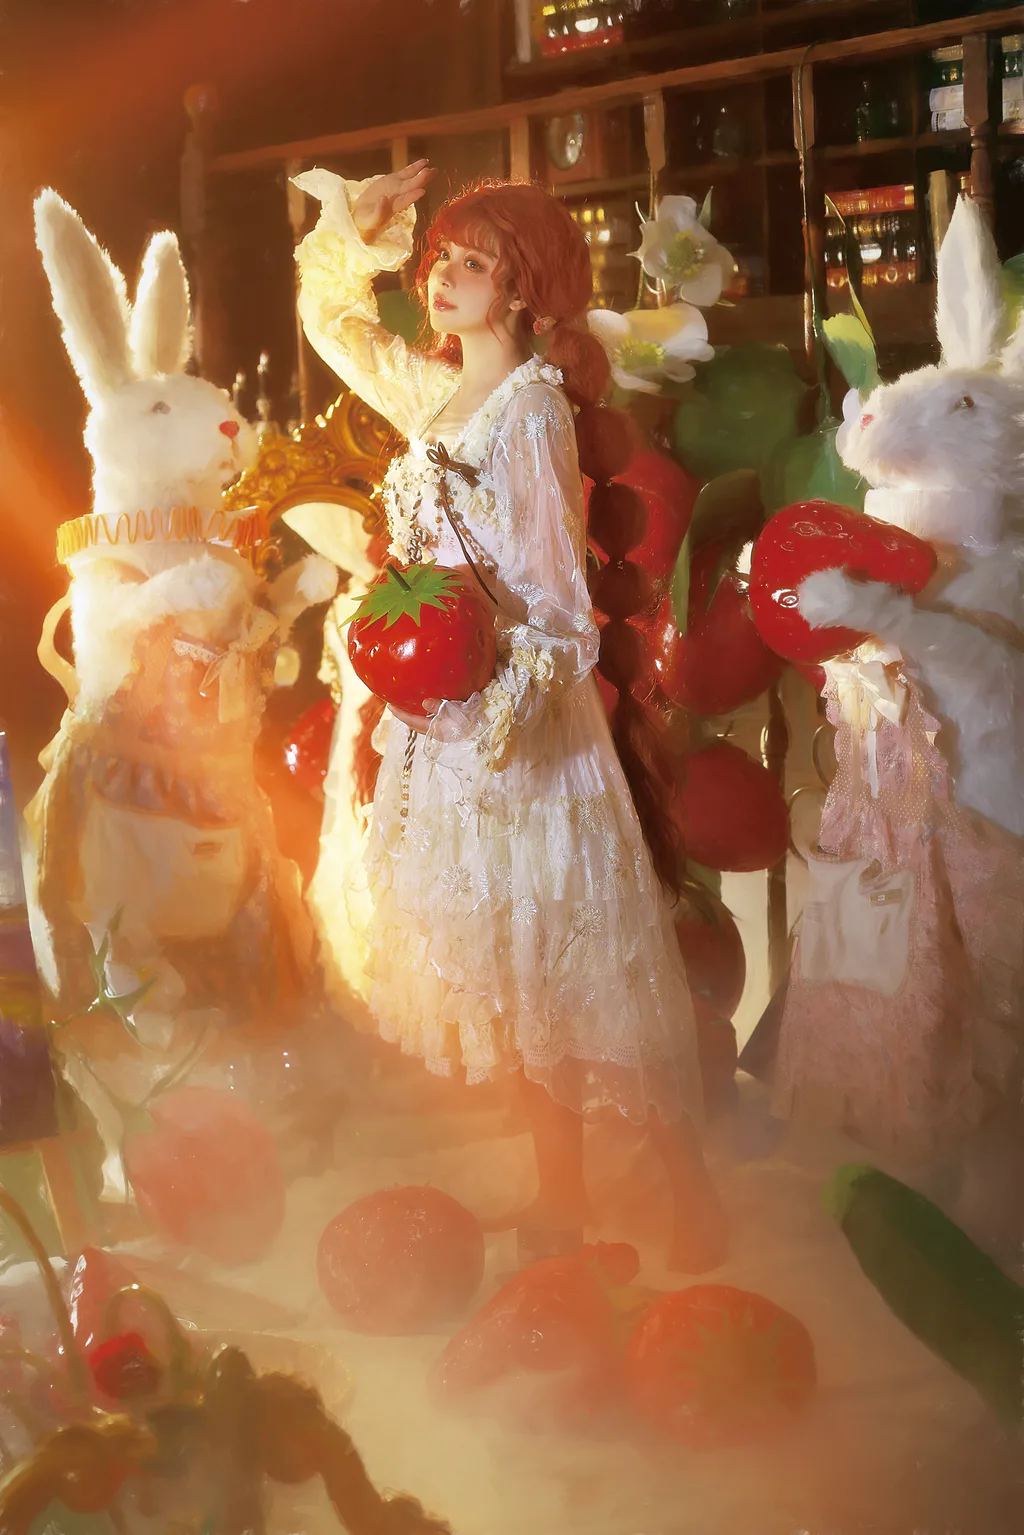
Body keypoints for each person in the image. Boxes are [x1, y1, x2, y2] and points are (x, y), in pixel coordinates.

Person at [291, 159, 727, 1271]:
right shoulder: (431, 390)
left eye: (471, 263)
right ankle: (558, 1194)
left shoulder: (530, 411)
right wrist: (356, 229)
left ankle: (686, 1196)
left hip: (518, 728)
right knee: (515, 978)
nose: (440, 277)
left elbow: (561, 613)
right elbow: (335, 324)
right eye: (440, 257)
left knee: (581, 974)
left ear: (524, 287)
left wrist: (487, 701)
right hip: (445, 717)